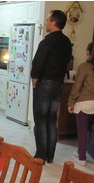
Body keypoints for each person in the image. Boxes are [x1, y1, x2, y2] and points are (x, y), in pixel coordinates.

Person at [30, 10, 72, 163]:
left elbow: (38, 63)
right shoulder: (67, 42)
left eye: (47, 19)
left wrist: (34, 78)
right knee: (51, 120)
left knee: (41, 120)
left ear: (53, 22)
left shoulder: (46, 42)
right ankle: (50, 156)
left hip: (45, 84)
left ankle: (41, 155)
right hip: (58, 84)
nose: (45, 22)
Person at [68, 42, 94, 166]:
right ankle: (83, 152)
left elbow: (77, 86)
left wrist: (71, 102)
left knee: (82, 131)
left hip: (84, 102)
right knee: (89, 130)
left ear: (88, 52)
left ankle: (81, 157)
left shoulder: (84, 67)